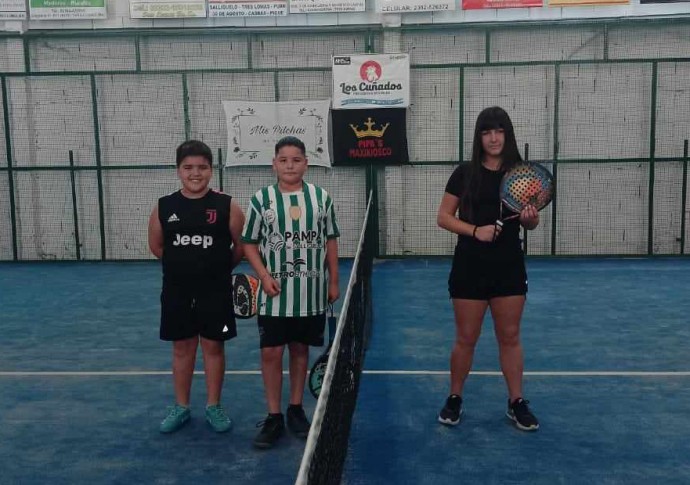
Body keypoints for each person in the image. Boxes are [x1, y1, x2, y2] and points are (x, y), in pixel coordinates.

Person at [436, 107, 540, 431]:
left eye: (499, 131)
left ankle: (516, 401)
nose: (493, 138)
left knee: (509, 336)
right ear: (479, 137)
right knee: (466, 338)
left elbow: (531, 220)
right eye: (486, 132)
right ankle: (454, 397)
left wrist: (531, 220)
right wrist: (474, 230)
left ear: (507, 135)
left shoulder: (521, 176)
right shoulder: (464, 174)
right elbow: (443, 217)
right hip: (469, 266)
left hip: (508, 266)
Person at [242, 136, 340, 449]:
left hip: (311, 294)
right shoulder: (261, 200)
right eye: (283, 160)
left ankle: (296, 409)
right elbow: (249, 243)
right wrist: (263, 276)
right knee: (271, 353)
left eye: (296, 160)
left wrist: (334, 281)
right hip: (274, 297)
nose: (289, 165)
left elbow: (331, 242)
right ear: (274, 164)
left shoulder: (321, 199)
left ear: (305, 164)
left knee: (300, 350)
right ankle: (273, 415)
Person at [148, 140, 245, 434]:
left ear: (210, 170)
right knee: (182, 347)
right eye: (188, 167)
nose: (195, 173)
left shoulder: (227, 205)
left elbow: (240, 246)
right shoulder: (165, 206)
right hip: (177, 291)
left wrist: (215, 269)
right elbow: (156, 246)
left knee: (214, 346)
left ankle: (214, 405)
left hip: (215, 291)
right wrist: (184, 266)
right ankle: (181, 406)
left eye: (202, 167)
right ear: (178, 170)